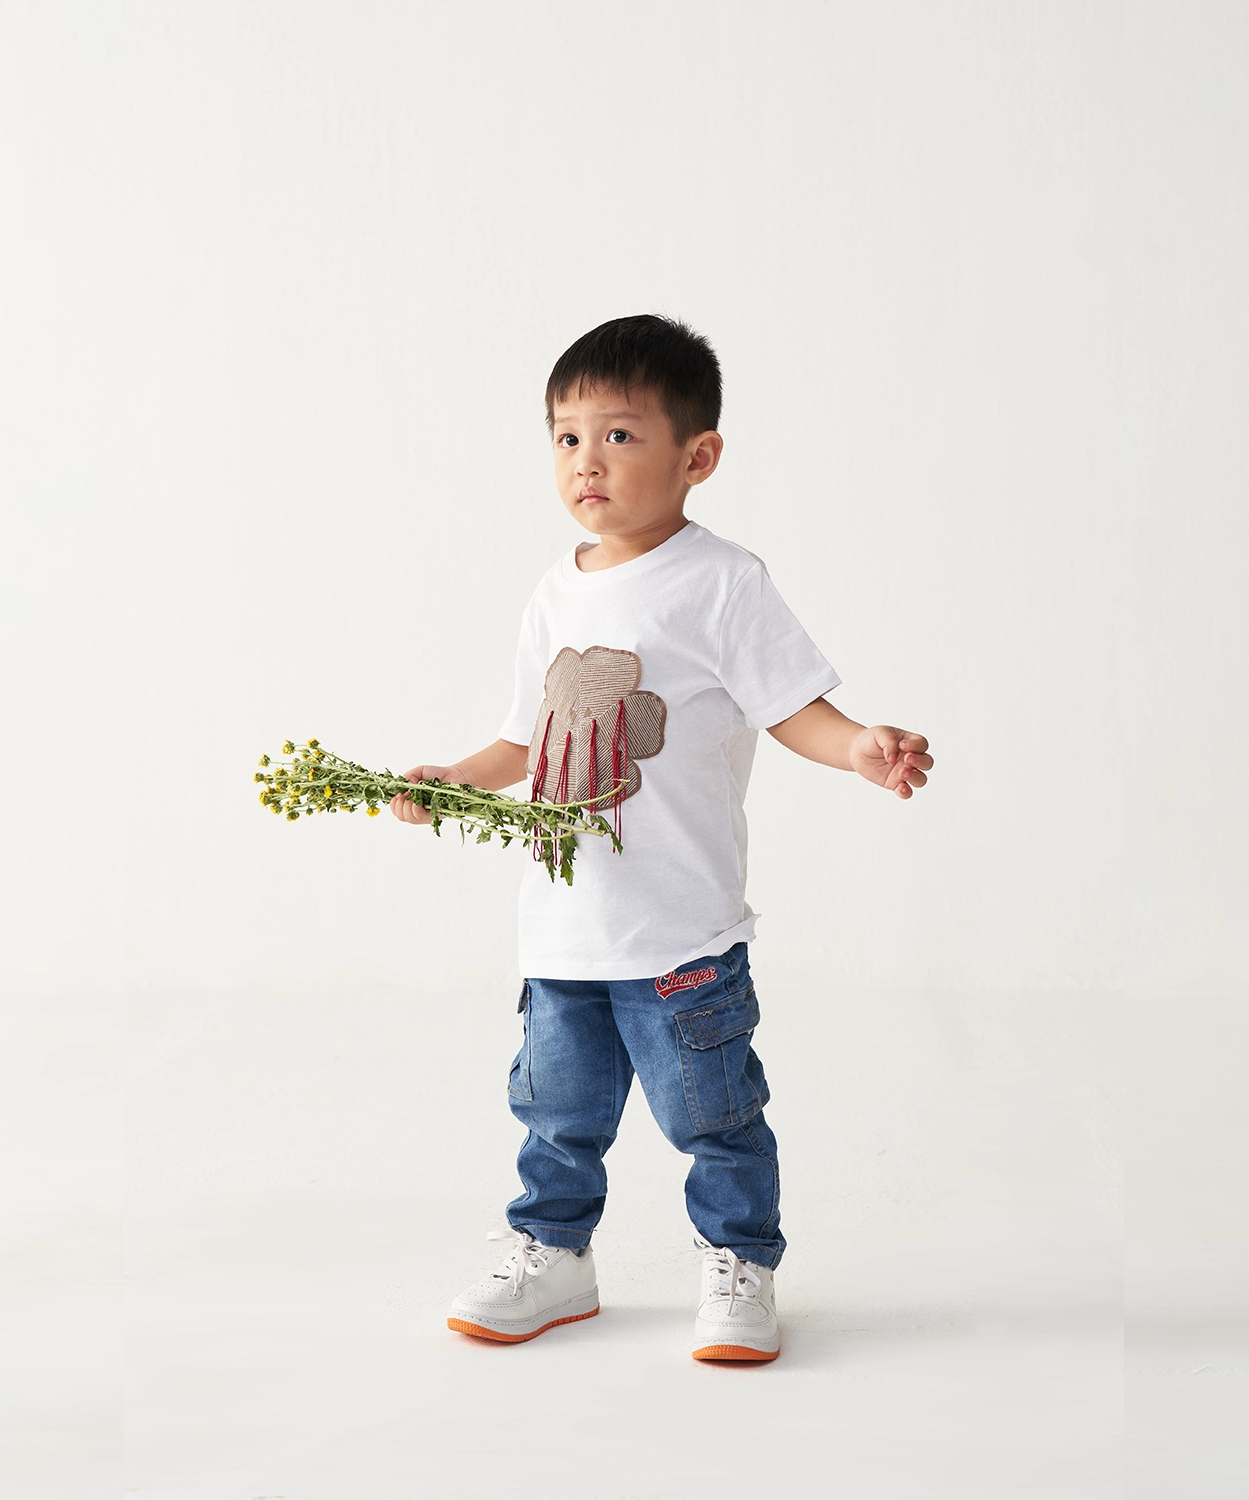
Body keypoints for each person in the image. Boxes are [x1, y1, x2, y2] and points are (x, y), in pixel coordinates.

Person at [390, 314, 933, 1362]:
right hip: (562, 927)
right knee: (554, 1110)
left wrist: (857, 743)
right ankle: (553, 1255)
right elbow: (523, 736)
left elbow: (789, 706)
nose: (585, 460)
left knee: (712, 1113)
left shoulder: (722, 581)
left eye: (619, 435)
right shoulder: (554, 589)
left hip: (678, 928)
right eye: (564, 437)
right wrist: (456, 781)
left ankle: (739, 1263)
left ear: (698, 457)